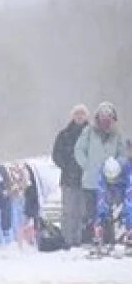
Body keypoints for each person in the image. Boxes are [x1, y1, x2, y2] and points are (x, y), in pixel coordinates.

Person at [74, 101, 123, 244]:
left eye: (109, 117)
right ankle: (88, 240)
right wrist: (86, 165)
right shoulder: (88, 132)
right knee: (90, 214)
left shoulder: (117, 135)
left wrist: (116, 164)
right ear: (98, 118)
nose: (106, 120)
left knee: (107, 213)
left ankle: (108, 240)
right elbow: (79, 150)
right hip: (90, 182)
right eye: (103, 117)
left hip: (109, 181)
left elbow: (122, 154)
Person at [51, 104, 89, 247]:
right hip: (68, 178)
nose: (79, 117)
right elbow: (56, 154)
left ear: (87, 117)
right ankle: (66, 239)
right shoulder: (64, 135)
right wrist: (66, 166)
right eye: (77, 114)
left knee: (81, 211)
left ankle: (78, 238)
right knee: (68, 210)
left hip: (85, 179)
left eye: (82, 114)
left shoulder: (92, 135)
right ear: (72, 116)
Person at [93, 145, 132, 248]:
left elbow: (129, 200)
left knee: (126, 209)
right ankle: (106, 235)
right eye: (111, 180)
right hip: (110, 189)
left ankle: (127, 234)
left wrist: (130, 224)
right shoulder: (102, 173)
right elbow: (101, 198)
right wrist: (99, 221)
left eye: (114, 179)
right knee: (106, 208)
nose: (113, 182)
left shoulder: (128, 170)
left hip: (125, 187)